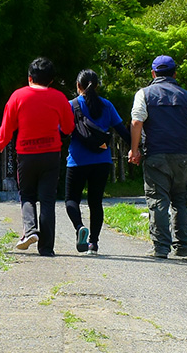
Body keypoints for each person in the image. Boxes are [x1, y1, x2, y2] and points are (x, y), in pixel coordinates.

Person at [127, 55, 187, 259]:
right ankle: (183, 246)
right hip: (181, 156)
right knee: (180, 201)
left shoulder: (144, 94)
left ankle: (161, 247)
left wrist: (134, 149)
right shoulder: (186, 96)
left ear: (153, 74)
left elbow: (137, 122)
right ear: (174, 74)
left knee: (158, 201)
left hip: (155, 155)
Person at [0, 57, 74, 257]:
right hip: (51, 154)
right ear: (51, 80)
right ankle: (46, 248)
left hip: (26, 155)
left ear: (30, 77)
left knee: (27, 195)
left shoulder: (18, 96)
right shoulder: (59, 97)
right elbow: (69, 127)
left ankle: (29, 230)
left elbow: (7, 127)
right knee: (47, 200)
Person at [66, 69, 128, 254]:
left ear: (78, 86)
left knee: (71, 199)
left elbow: (62, 132)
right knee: (96, 202)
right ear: (98, 86)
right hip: (102, 161)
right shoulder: (107, 105)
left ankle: (79, 228)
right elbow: (122, 131)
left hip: (77, 160)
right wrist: (136, 148)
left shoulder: (71, 105)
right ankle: (93, 243)